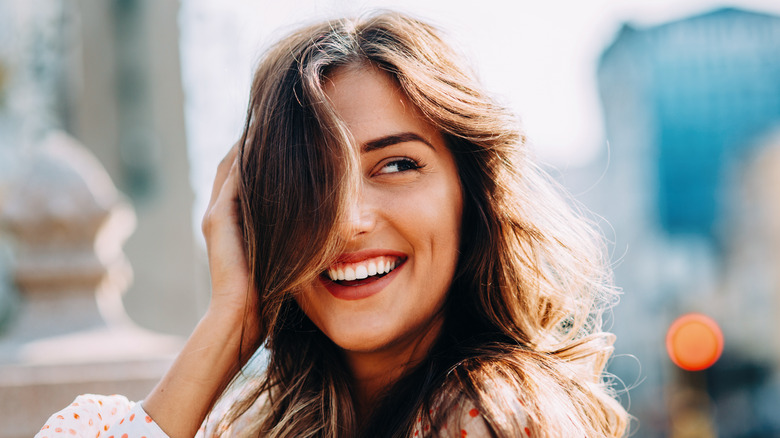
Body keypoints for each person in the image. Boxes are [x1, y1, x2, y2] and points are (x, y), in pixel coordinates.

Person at [37, 11, 629, 438]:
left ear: (469, 196)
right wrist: (232, 321)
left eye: (397, 165)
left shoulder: (489, 417)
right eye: (311, 181)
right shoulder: (262, 422)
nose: (348, 220)